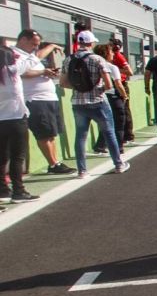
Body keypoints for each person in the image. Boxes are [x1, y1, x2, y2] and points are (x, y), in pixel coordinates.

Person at [61, 31, 128, 178]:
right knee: (109, 132)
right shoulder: (97, 59)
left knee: (80, 136)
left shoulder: (68, 60)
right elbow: (109, 84)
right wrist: (96, 89)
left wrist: (81, 88)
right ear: (91, 43)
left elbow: (63, 83)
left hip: (78, 103)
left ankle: (82, 170)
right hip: (98, 101)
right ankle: (118, 164)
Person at [13, 30, 74, 174]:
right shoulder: (15, 54)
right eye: (33, 44)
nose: (35, 47)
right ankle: (53, 164)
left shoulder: (29, 56)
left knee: (51, 133)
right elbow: (22, 73)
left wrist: (47, 72)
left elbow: (35, 65)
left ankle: (55, 162)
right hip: (35, 100)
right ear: (23, 40)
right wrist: (43, 71)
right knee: (43, 133)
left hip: (48, 98)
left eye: (38, 45)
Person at [0, 44, 38, 202]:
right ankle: (18, 191)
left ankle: (2, 190)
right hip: (16, 119)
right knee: (18, 156)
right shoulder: (14, 70)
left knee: (2, 156)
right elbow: (32, 60)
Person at [93, 44, 130, 153]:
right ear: (107, 54)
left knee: (106, 122)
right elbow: (118, 84)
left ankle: (100, 145)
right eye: (111, 52)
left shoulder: (93, 65)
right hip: (113, 97)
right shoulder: (112, 67)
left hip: (100, 97)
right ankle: (118, 147)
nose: (113, 54)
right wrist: (125, 95)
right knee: (119, 122)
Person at [108, 36, 136, 144]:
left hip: (121, 84)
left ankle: (128, 135)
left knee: (124, 111)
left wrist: (114, 69)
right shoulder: (111, 57)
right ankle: (124, 135)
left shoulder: (119, 56)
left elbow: (130, 72)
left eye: (110, 45)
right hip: (114, 84)